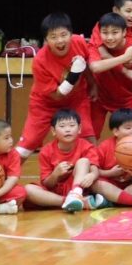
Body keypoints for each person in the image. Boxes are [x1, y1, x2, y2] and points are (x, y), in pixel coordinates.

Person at [16, 13, 96, 159]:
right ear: (46, 40)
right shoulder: (39, 61)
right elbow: (57, 95)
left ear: (71, 34)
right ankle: (6, 172)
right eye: (53, 37)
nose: (59, 41)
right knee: (27, 145)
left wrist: (93, 85)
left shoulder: (79, 42)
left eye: (64, 35)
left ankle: (94, 171)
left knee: (87, 137)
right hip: (45, 103)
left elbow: (87, 67)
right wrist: (74, 74)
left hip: (77, 99)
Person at [24, 109, 107, 211]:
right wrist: (55, 174)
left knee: (83, 161)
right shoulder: (46, 151)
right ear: (53, 131)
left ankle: (75, 194)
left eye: (72, 125)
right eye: (62, 126)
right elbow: (47, 184)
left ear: (79, 128)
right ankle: (68, 201)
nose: (68, 130)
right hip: (55, 192)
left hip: (80, 188)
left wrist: (92, 175)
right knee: (28, 189)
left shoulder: (87, 146)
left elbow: (95, 169)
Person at [88, 12, 132, 137]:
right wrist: (125, 58)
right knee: (90, 135)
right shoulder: (95, 46)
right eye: (105, 33)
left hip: (127, 98)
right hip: (99, 97)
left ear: (124, 32)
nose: (110, 37)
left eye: (115, 32)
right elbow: (95, 67)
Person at [90, 108, 132, 208]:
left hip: (131, 186)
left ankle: (112, 201)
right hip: (110, 184)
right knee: (95, 183)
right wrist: (110, 173)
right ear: (116, 131)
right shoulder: (105, 146)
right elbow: (93, 170)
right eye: (128, 128)